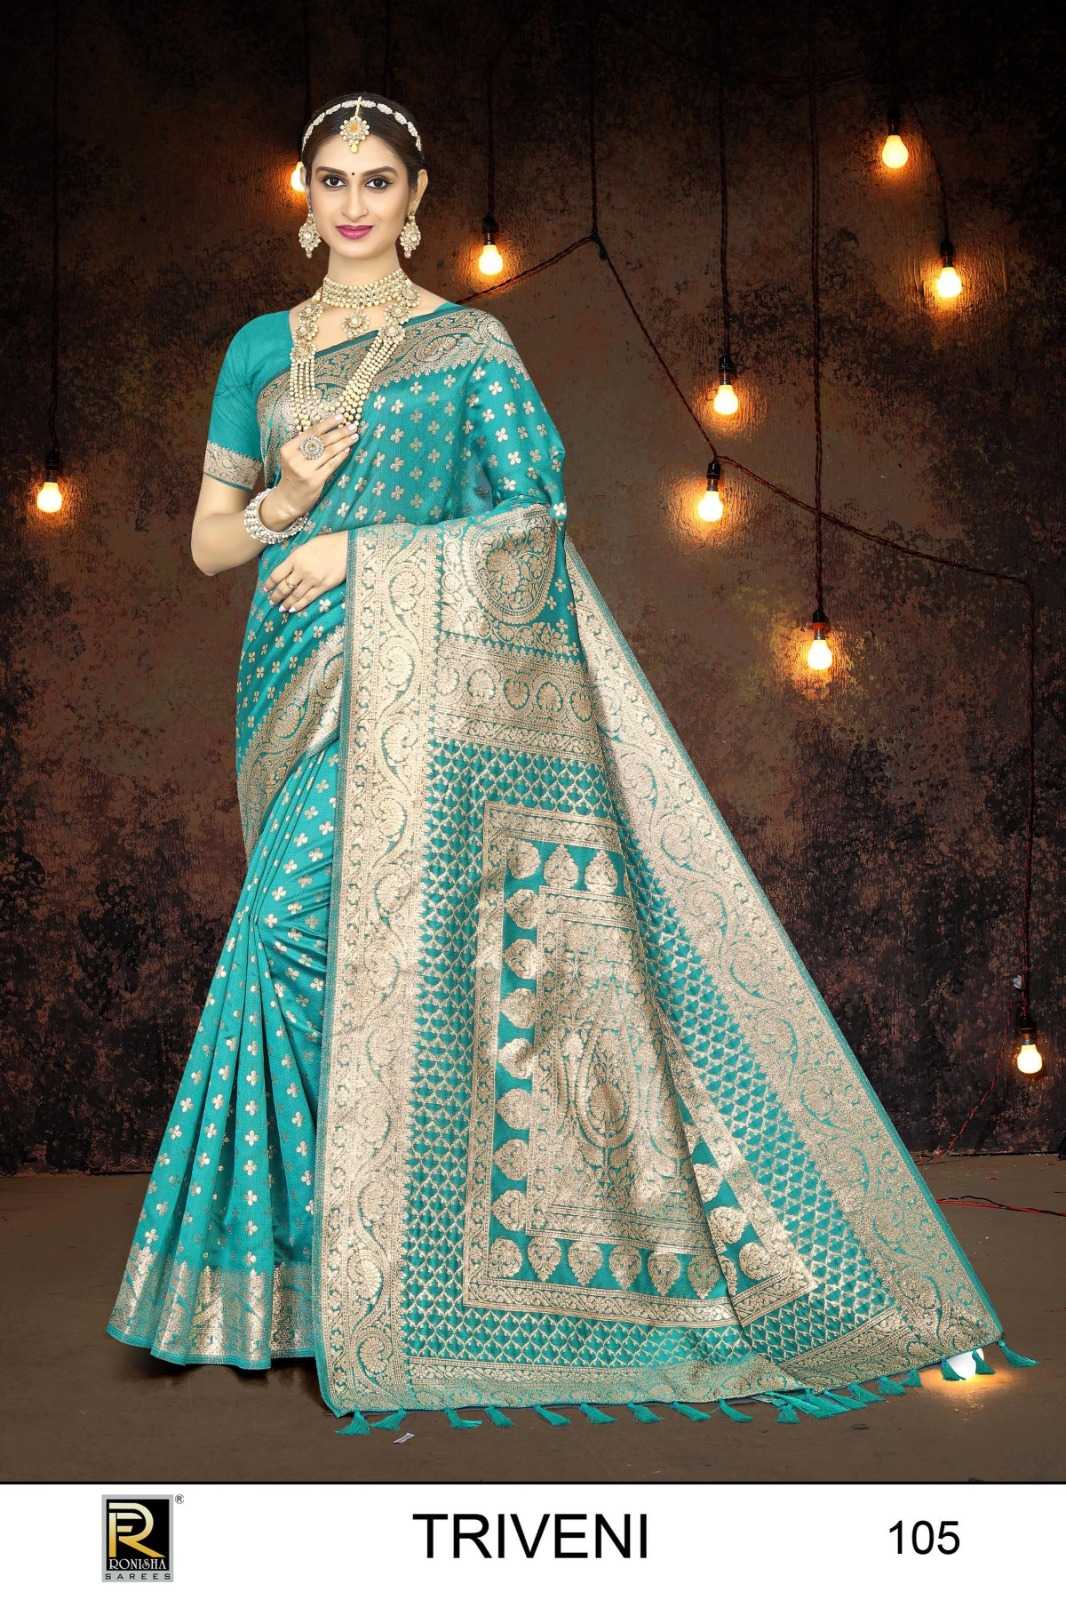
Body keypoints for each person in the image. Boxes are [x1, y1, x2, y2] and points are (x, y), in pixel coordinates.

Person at [105, 92, 1036, 1435]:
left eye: (378, 181)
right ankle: (311, 1288)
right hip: (291, 683)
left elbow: (532, 520)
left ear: (416, 200)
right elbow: (208, 544)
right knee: (295, 950)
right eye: (332, 180)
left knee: (334, 944)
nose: (354, 203)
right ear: (305, 198)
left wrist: (365, 553)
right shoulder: (261, 347)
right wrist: (286, 503)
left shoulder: (469, 345)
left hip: (423, 691)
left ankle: (384, 1287)